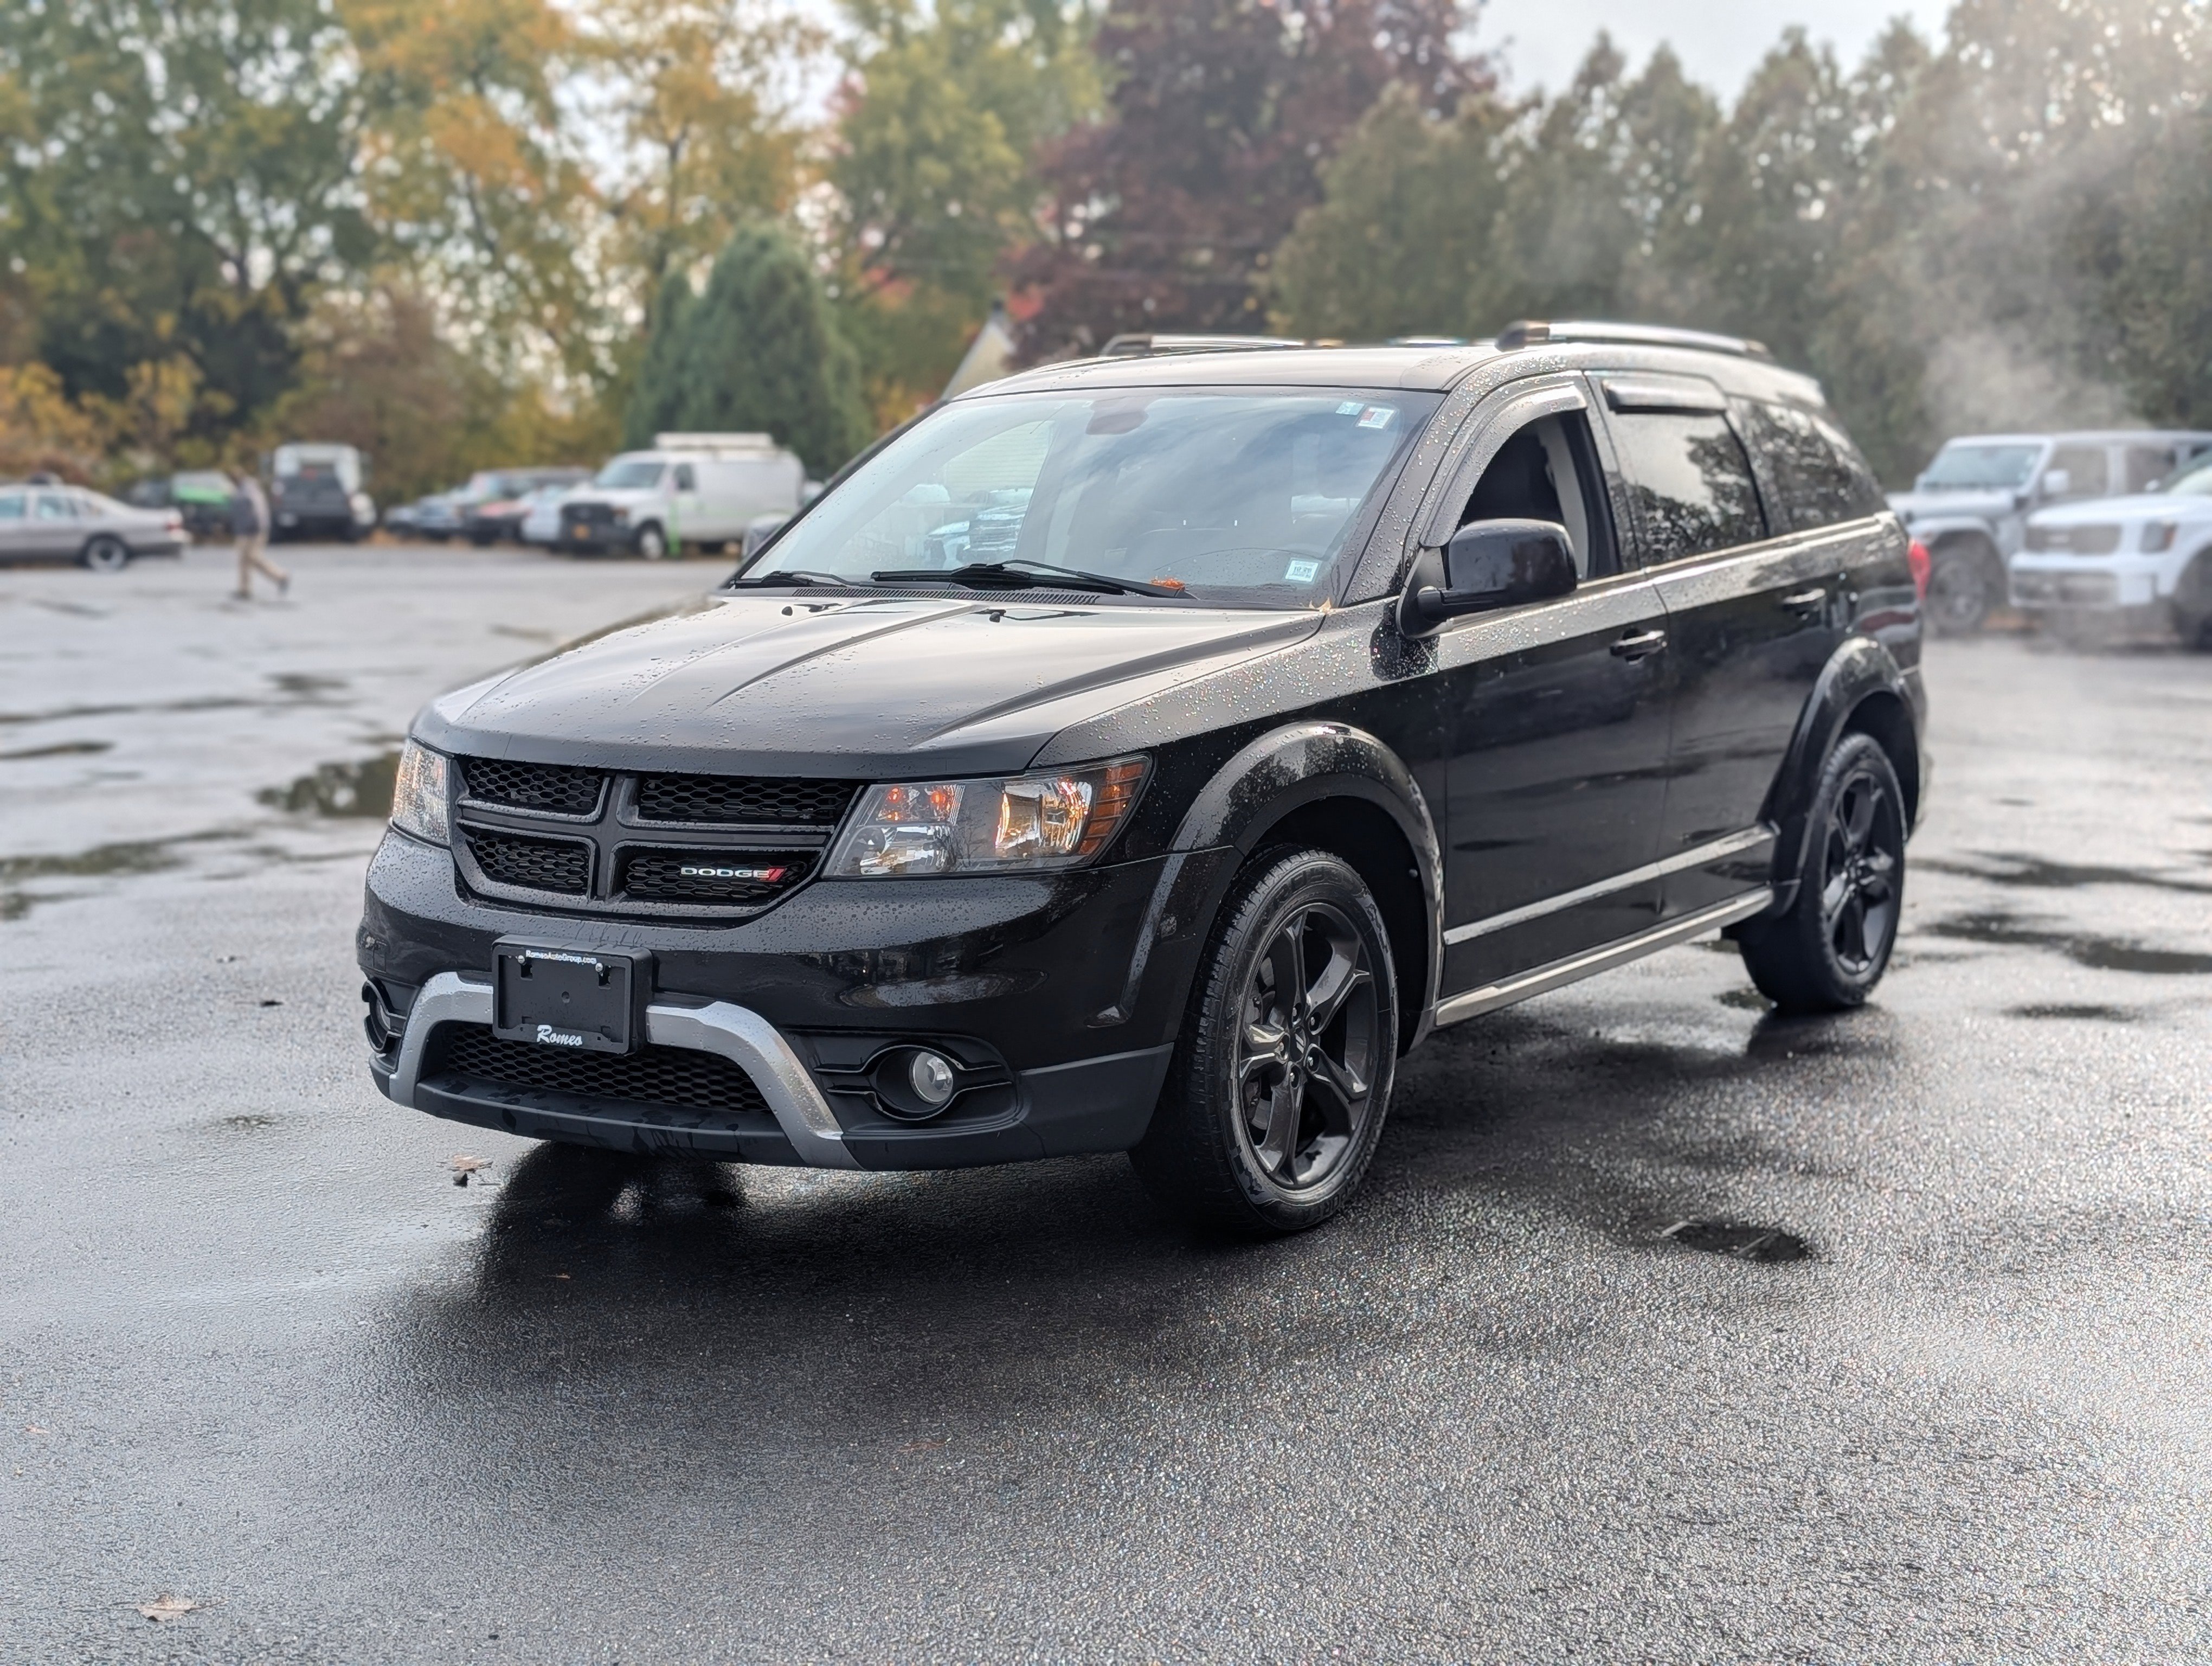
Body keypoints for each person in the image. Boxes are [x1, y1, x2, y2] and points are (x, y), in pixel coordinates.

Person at [231, 469, 288, 599]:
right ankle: (244, 589)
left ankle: (281, 576)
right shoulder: (241, 490)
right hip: (245, 531)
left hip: (254, 531)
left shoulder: (249, 490)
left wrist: (256, 527)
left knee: (253, 557)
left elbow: (258, 511)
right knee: (243, 560)